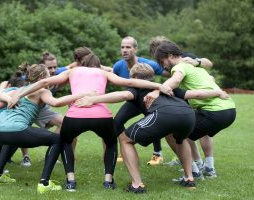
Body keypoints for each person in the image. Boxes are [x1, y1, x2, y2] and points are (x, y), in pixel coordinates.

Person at [7, 52, 171, 192]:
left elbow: (44, 82)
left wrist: (18, 94)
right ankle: (108, 181)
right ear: (98, 65)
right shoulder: (103, 73)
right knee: (111, 142)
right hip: (102, 116)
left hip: (75, 115)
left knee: (65, 141)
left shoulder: (72, 71)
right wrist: (159, 85)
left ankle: (70, 181)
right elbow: (129, 82)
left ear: (82, 63)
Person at [74, 63, 230, 192]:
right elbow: (195, 94)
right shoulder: (165, 87)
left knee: (125, 139)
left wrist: (93, 99)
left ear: (134, 78)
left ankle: (137, 185)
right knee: (180, 139)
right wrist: (217, 92)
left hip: (164, 114)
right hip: (188, 115)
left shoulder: (137, 88)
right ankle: (189, 179)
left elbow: (122, 97)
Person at [0, 63, 95, 193]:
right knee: (57, 139)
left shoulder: (18, 90)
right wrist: (84, 93)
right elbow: (57, 102)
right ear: (41, 78)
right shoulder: (42, 91)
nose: (50, 78)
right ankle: (44, 183)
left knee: (12, 139)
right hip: (14, 128)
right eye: (49, 76)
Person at [155, 41, 236, 178]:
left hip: (215, 112)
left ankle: (193, 171)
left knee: (172, 132)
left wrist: (157, 90)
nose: (163, 66)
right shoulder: (196, 67)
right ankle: (206, 168)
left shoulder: (180, 67)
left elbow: (174, 82)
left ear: (169, 56)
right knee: (185, 129)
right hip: (229, 110)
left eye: (162, 61)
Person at [147, 35, 214, 167]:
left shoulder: (184, 57)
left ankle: (207, 165)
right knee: (185, 131)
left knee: (200, 132)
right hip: (186, 96)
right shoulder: (165, 64)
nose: (159, 60)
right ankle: (196, 162)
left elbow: (208, 63)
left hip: (198, 96)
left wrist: (197, 62)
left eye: (159, 54)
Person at [112, 36, 169, 165]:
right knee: (117, 122)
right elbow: (111, 77)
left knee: (154, 123)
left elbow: (171, 74)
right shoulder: (118, 66)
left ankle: (157, 154)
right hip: (132, 101)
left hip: (148, 100)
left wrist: (158, 90)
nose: (125, 50)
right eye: (122, 47)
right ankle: (124, 151)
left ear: (135, 49)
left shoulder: (149, 64)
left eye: (128, 47)